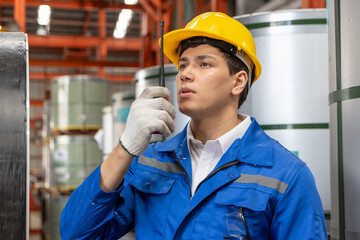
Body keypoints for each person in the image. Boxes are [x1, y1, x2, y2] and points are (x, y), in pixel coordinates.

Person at [60, 12, 327, 239]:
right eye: (183, 65)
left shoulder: (285, 175)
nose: (185, 73)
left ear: (238, 81)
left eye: (204, 64)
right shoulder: (152, 162)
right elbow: (77, 233)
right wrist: (125, 148)